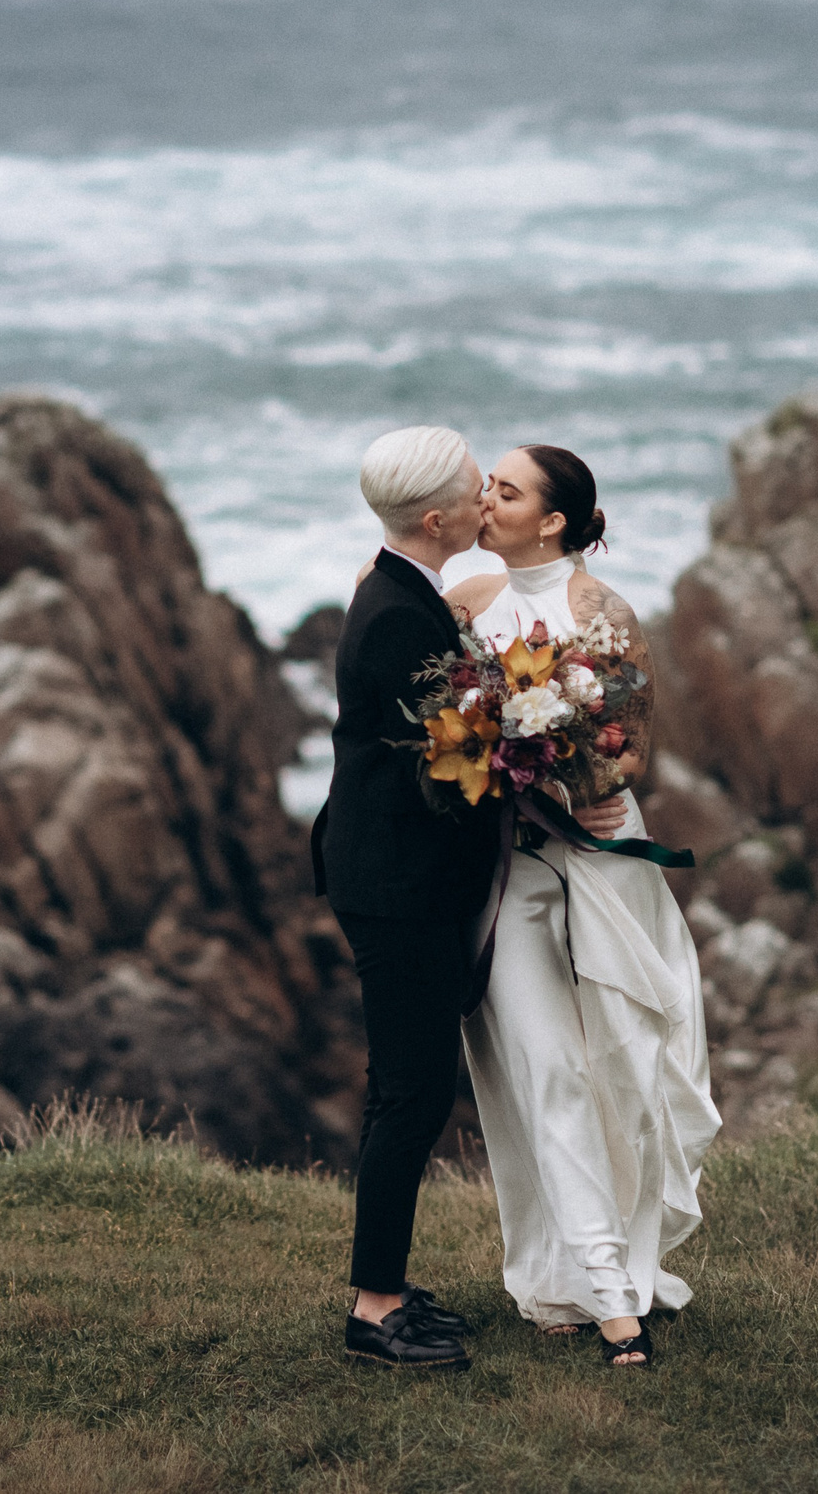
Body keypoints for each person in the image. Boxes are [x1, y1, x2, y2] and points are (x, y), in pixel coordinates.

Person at [444, 445, 720, 1370]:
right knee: (543, 1065)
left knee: (616, 1061)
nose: (488, 499)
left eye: (506, 490)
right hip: (504, 865)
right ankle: (600, 1295)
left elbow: (629, 744)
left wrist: (581, 773)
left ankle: (598, 1266)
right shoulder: (468, 603)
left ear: (553, 519)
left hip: (597, 857)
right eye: (488, 485)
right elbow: (424, 698)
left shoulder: (602, 613)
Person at [311, 425, 502, 1370]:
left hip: (391, 873)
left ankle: (383, 1284)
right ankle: (374, 1309)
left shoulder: (398, 591)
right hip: (396, 885)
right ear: (439, 519)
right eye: (478, 489)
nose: (488, 498)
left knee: (414, 1090)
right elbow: (454, 761)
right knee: (409, 1094)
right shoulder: (395, 614)